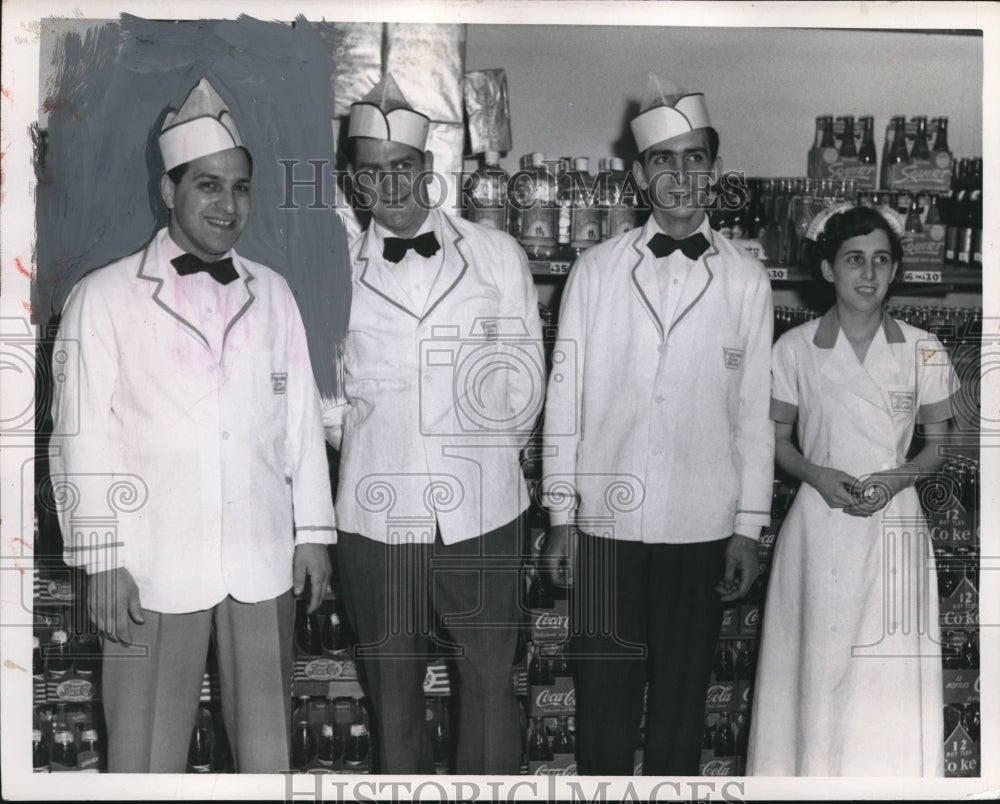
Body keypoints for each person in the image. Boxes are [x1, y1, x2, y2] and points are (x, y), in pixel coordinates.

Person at [49, 78, 335, 773]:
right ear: (169, 190)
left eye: (240, 188)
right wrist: (101, 558)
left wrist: (314, 534)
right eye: (208, 185)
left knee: (270, 756)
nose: (227, 204)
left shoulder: (275, 293)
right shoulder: (104, 296)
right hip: (151, 565)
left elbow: (299, 421)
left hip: (261, 557)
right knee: (145, 757)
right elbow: (79, 436)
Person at [540, 73, 774, 776]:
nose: (679, 175)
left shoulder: (746, 278)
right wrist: (559, 513)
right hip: (605, 527)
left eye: (694, 158)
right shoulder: (596, 270)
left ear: (715, 171)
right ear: (640, 173)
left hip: (702, 525)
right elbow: (565, 397)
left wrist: (748, 525)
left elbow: (754, 412)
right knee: (602, 701)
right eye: (663, 161)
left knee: (682, 702)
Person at [323, 73, 543, 774]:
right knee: (393, 695)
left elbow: (523, 382)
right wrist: (380, 439)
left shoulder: (495, 255)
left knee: (487, 684)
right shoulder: (331, 273)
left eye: (403, 169)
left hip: (483, 508)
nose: (389, 188)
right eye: (371, 175)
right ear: (354, 185)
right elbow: (327, 400)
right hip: (375, 512)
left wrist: (475, 459)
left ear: (429, 170)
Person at [747, 204, 953, 776]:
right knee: (817, 666)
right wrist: (817, 474)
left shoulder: (923, 347)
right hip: (820, 525)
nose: (869, 273)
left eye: (881, 260)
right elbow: (776, 442)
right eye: (854, 260)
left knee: (885, 674)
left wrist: (894, 479)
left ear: (895, 271)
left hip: (894, 528)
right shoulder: (794, 349)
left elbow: (936, 447)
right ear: (827, 268)